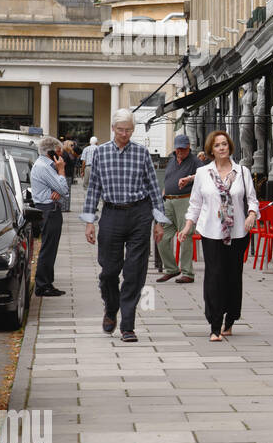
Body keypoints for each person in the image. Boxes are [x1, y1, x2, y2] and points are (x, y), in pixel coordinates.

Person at [82, 108, 169, 343]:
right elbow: (94, 188)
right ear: (113, 129)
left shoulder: (141, 153)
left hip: (139, 213)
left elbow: (153, 188)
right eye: (120, 130)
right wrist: (90, 221)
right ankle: (111, 308)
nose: (124, 134)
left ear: (133, 130)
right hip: (111, 213)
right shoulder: (100, 153)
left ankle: (127, 325)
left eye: (128, 130)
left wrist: (159, 222)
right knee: (109, 271)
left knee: (135, 271)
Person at [178, 130, 259, 341]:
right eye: (217, 145)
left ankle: (230, 320)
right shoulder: (204, 173)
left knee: (233, 276)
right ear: (211, 150)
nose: (222, 148)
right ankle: (214, 324)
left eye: (224, 144)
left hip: (238, 232)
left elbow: (252, 200)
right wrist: (187, 227)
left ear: (230, 146)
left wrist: (251, 214)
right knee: (214, 276)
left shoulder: (242, 172)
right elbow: (196, 204)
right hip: (211, 232)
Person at [157, 133, 201, 283]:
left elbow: (204, 176)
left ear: (189, 147)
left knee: (185, 236)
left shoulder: (195, 161)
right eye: (178, 149)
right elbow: (168, 178)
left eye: (184, 149)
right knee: (161, 235)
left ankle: (188, 273)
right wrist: (164, 192)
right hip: (168, 201)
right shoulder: (171, 160)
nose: (181, 152)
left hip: (185, 200)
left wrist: (189, 179)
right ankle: (171, 269)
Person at [30, 136, 69, 297]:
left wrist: (58, 189)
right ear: (51, 152)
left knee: (50, 248)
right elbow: (64, 189)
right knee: (48, 248)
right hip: (48, 210)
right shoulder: (44, 167)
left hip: (49, 208)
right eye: (59, 152)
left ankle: (47, 282)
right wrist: (61, 171)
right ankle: (43, 284)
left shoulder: (44, 165)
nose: (61, 156)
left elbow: (60, 190)